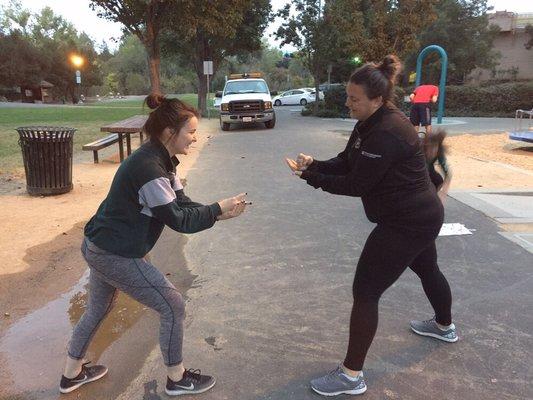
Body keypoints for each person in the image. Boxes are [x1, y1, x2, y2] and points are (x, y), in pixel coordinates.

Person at [286, 55, 457, 397]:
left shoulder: (389, 132)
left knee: (365, 292)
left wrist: (311, 178)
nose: (348, 103)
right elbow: (348, 161)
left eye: (354, 99)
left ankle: (351, 375)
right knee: (428, 268)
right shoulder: (369, 122)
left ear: (377, 99)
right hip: (420, 215)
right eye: (348, 96)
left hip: (407, 222)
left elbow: (356, 184)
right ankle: (444, 326)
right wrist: (316, 165)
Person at [60, 94, 248, 396]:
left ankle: (71, 374)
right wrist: (216, 208)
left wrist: (219, 213)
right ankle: (177, 378)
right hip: (113, 253)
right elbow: (178, 219)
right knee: (172, 305)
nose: (195, 138)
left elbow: (182, 204)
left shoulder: (160, 160)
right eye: (191, 132)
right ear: (168, 132)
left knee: (98, 308)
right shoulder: (149, 169)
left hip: (101, 245)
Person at [422, 129, 452, 204]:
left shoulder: (439, 153)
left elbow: (447, 174)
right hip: (419, 169)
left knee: (438, 180)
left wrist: (443, 193)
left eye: (435, 148)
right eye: (429, 148)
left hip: (429, 169)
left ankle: (432, 197)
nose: (432, 151)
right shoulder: (420, 151)